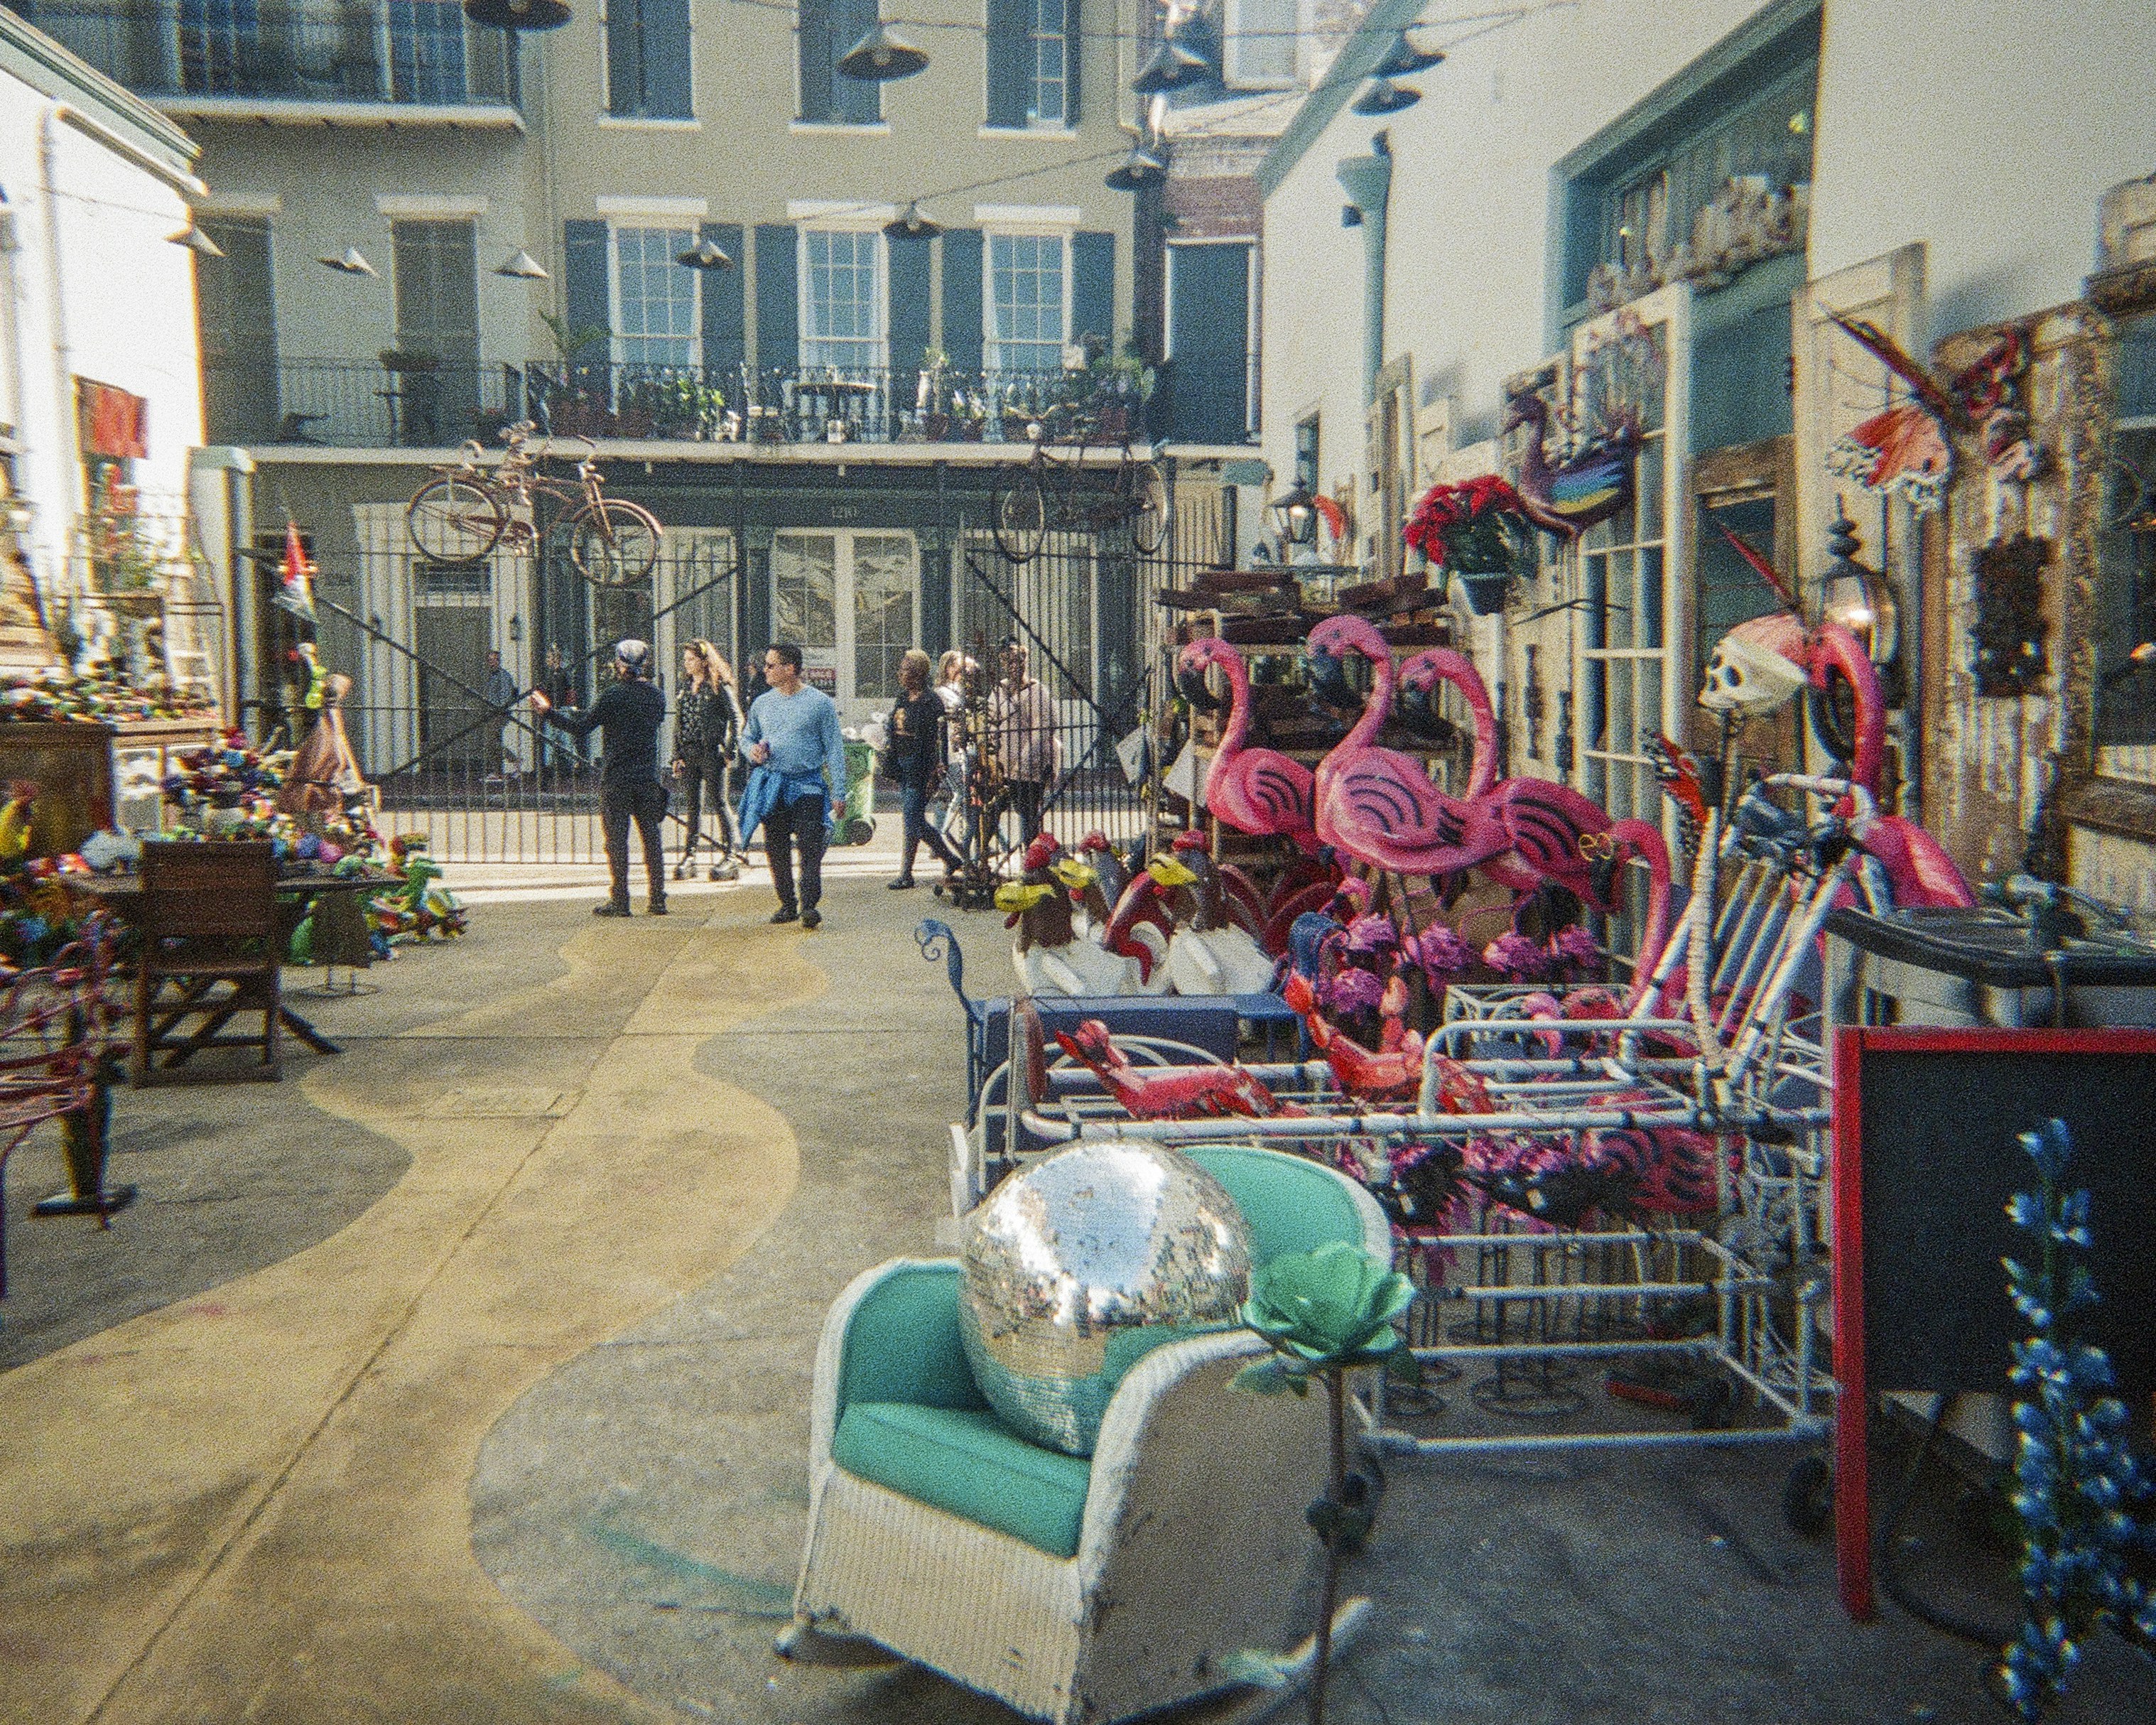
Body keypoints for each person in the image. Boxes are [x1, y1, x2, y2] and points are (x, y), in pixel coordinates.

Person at [530, 638, 669, 916]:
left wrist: (548, 713)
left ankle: (620, 900)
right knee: (651, 838)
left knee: (617, 840)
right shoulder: (656, 695)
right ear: (646, 664)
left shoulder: (613, 695)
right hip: (647, 776)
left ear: (619, 664)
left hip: (617, 776)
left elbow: (581, 727)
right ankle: (657, 899)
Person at [740, 642, 845, 929]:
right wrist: (753, 751)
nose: (766, 670)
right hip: (774, 784)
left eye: (772, 665)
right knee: (776, 847)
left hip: (808, 785)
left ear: (790, 668)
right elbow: (746, 737)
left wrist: (839, 791)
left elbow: (834, 749)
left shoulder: (820, 703)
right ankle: (787, 903)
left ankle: (809, 905)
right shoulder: (762, 703)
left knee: (810, 847)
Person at [886, 649, 963, 889]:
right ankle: (950, 859)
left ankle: (906, 874)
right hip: (903, 764)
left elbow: (939, 739)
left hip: (922, 768)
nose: (901, 673)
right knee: (916, 820)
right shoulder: (902, 698)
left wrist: (937, 769)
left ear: (919, 673)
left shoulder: (931, 702)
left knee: (912, 820)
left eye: (905, 668)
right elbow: (895, 728)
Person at [673, 639, 744, 881]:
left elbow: (736, 719)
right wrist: (677, 755)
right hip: (690, 752)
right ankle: (690, 855)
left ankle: (731, 854)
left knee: (720, 803)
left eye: (691, 659)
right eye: (686, 660)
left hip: (712, 752)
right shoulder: (685, 686)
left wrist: (730, 751)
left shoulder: (719, 686)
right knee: (693, 806)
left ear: (704, 660)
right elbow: (679, 722)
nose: (687, 664)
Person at [988, 637, 1056, 848]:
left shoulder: (1038, 692)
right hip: (1000, 769)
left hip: (1028, 771)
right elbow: (991, 723)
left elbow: (1041, 731)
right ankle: (981, 863)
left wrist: (1024, 763)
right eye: (1008, 661)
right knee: (991, 815)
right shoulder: (998, 690)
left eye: (1019, 660)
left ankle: (1033, 862)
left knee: (1029, 819)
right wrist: (991, 758)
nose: (1015, 666)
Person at [538, 644, 583, 775]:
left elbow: (571, 692)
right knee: (552, 739)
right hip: (552, 709)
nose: (547, 660)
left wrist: (568, 706)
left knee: (564, 739)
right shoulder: (551, 674)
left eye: (549, 657)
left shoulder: (563, 674)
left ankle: (575, 764)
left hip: (561, 709)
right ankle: (549, 767)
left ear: (555, 659)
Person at [483, 649, 520, 777]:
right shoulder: (492, 677)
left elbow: (505, 697)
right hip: (492, 712)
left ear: (499, 661)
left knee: (491, 741)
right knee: (495, 741)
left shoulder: (504, 676)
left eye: (494, 660)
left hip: (500, 713)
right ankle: (497, 771)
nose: (491, 663)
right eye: (490, 660)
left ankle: (514, 759)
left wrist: (497, 708)